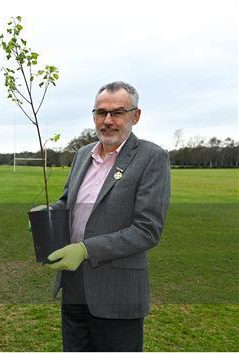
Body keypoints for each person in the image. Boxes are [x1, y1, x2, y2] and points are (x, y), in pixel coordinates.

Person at [46, 81, 171, 351]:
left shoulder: (152, 157)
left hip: (117, 293)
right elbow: (68, 202)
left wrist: (85, 249)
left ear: (135, 116)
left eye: (118, 112)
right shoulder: (82, 155)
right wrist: (48, 215)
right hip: (75, 286)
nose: (108, 120)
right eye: (101, 113)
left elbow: (147, 230)